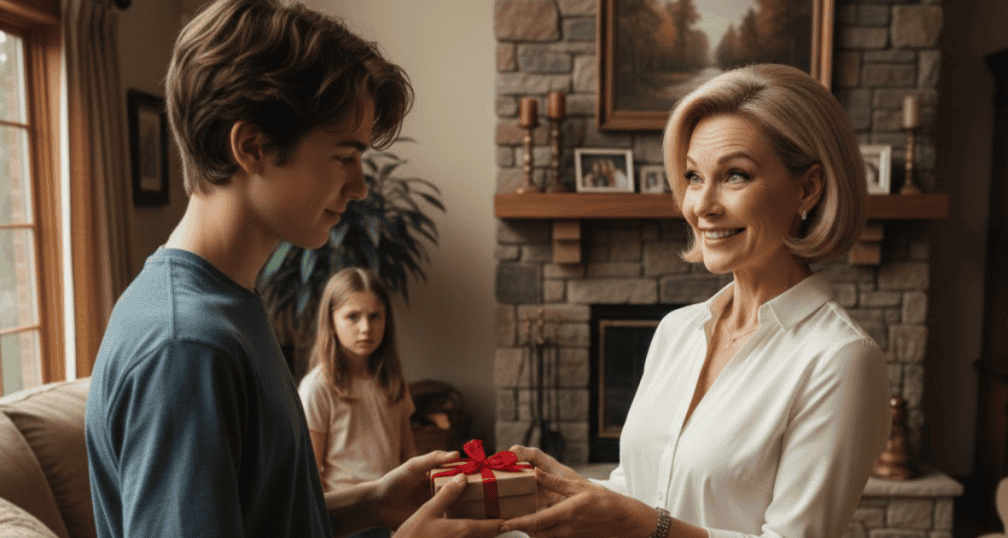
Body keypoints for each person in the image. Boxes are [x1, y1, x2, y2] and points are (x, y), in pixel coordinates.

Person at [84, 1, 504, 537]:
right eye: (344, 156)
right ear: (253, 147)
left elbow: (261, 519)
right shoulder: (186, 348)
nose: (359, 187)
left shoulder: (226, 306)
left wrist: (372, 504)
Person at [503, 63, 892, 538]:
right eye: (692, 176)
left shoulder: (841, 358)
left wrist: (644, 526)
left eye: (734, 176)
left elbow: (651, 523)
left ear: (807, 188)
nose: (701, 205)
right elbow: (645, 493)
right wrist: (566, 487)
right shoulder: (677, 330)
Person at [299, 268, 418, 538]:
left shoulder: (392, 380)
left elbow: (409, 454)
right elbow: (310, 471)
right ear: (330, 321)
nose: (366, 328)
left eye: (375, 316)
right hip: (348, 517)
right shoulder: (318, 387)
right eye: (352, 316)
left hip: (393, 511)